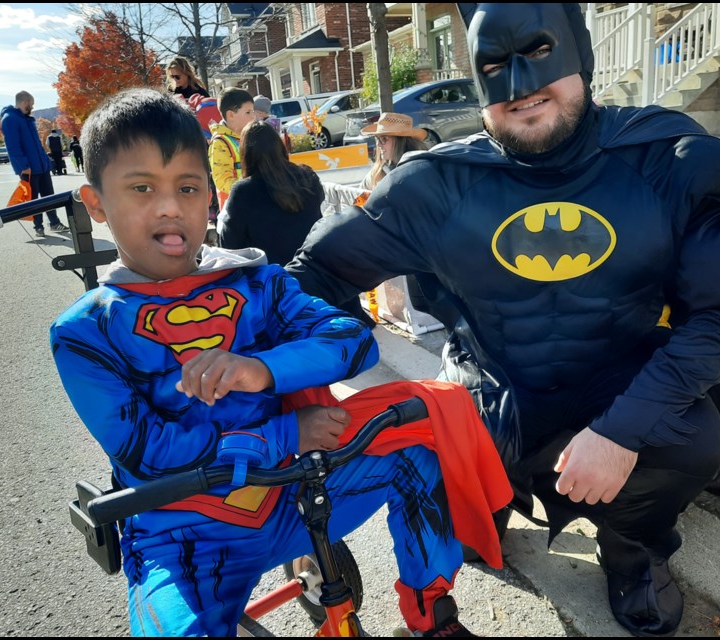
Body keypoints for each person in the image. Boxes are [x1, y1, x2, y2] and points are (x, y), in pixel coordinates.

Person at [286, 4, 720, 637]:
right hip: (491, 387)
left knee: (688, 439)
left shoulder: (674, 161)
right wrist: (305, 387)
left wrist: (623, 431)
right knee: (427, 451)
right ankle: (481, 503)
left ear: (580, 53)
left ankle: (633, 548)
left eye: (539, 53)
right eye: (495, 67)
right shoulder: (435, 186)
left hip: (623, 379)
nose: (521, 86)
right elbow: (312, 278)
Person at [50, 87, 510, 637]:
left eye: (188, 187)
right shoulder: (84, 332)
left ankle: (433, 614)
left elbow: (353, 339)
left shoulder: (258, 283)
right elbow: (149, 455)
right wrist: (287, 432)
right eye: (142, 188)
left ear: (211, 196)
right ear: (96, 202)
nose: (170, 206)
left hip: (293, 496)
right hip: (185, 533)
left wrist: (260, 369)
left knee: (419, 451)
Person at [219, 120, 324, 266]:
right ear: (280, 146)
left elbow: (229, 247)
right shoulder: (308, 177)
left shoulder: (243, 191)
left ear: (245, 154)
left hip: (268, 281)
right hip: (313, 271)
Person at [0, 90, 68, 237]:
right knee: (33, 199)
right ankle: (38, 227)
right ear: (25, 102)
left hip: (41, 165)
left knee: (49, 196)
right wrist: (23, 166)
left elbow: (36, 144)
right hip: (29, 168)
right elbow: (13, 146)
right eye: (31, 104)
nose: (32, 107)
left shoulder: (25, 119)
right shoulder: (10, 119)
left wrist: (46, 161)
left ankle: (54, 223)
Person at [209, 87, 256, 217]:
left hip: (253, 206)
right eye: (248, 112)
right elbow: (222, 180)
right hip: (234, 212)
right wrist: (250, 187)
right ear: (231, 115)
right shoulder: (221, 143)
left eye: (253, 111)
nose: (253, 116)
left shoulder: (249, 137)